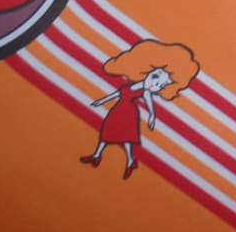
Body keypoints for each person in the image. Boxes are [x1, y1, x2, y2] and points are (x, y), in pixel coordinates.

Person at [81, 40, 200, 180]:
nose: (154, 84)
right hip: (117, 110)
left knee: (125, 138)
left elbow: (149, 105)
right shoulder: (132, 85)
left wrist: (152, 116)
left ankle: (129, 161)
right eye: (155, 77)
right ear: (147, 68)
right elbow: (118, 93)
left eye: (161, 85)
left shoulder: (146, 92)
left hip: (129, 113)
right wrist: (102, 101)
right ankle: (97, 156)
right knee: (106, 133)